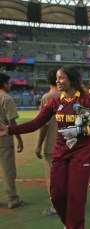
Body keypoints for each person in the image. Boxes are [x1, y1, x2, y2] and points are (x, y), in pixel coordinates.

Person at [0, 66, 90, 229]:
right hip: (60, 153)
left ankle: (74, 226)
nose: (58, 81)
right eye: (57, 78)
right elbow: (36, 123)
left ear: (72, 80)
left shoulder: (84, 100)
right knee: (57, 196)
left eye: (61, 77)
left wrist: (79, 129)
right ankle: (68, 223)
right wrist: (10, 130)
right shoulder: (56, 102)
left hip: (80, 154)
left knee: (76, 197)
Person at [34, 68, 61, 216]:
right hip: (70, 144)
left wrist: (38, 145)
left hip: (53, 145)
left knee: (53, 177)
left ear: (47, 81)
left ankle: (56, 207)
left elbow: (43, 125)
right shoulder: (69, 96)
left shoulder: (47, 97)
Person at [0, 73, 25, 209]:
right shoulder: (6, 98)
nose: (10, 85)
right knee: (8, 170)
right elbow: (12, 122)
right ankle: (12, 199)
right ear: (4, 84)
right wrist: (19, 139)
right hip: (3, 139)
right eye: (8, 83)